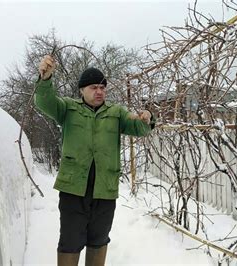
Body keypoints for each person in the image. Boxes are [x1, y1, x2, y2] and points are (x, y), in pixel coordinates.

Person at [35, 55, 154, 266]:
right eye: (93, 87)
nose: (99, 91)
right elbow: (45, 102)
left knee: (99, 240)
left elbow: (138, 128)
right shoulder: (68, 109)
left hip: (104, 190)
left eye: (102, 87)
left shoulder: (116, 113)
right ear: (81, 90)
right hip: (73, 189)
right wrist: (45, 79)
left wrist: (146, 119)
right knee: (70, 241)